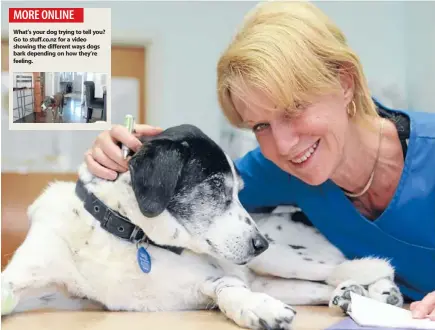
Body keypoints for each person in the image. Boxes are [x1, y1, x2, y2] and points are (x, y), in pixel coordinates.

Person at [85, 1, 435, 319]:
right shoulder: (279, 170)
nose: (283, 145)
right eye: (261, 125)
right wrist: (119, 164)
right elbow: (184, 194)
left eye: (294, 108)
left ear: (344, 83)